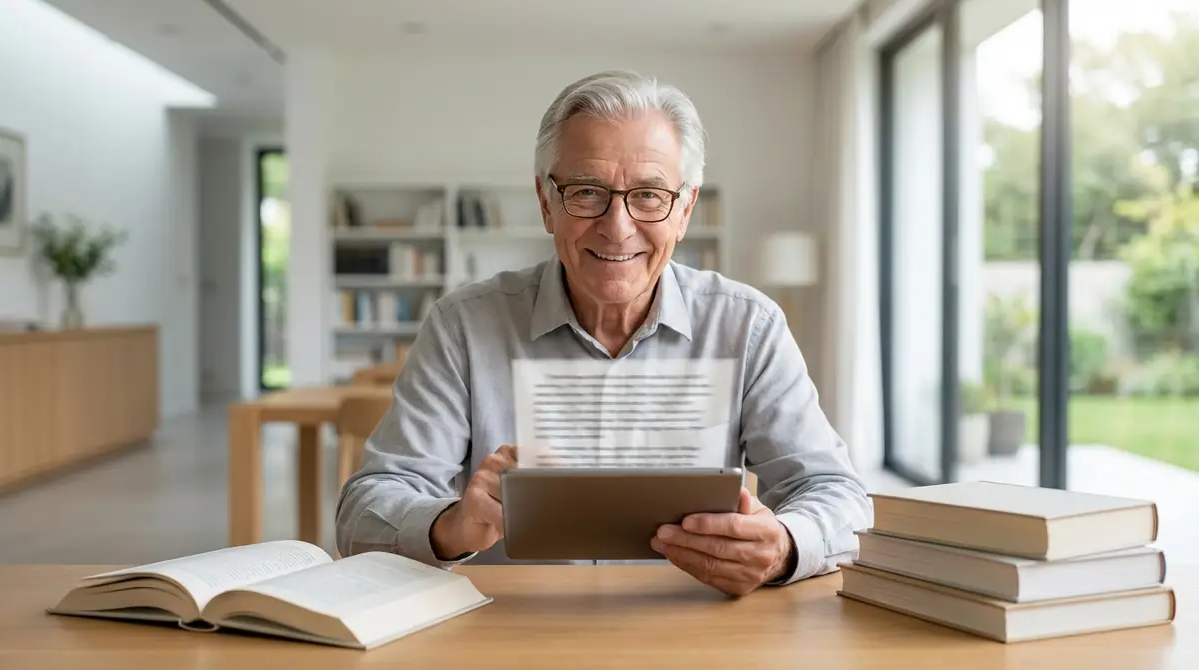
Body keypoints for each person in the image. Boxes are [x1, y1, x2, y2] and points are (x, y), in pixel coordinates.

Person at [335, 70, 872, 596]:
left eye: (649, 195)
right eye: (588, 192)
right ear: (547, 203)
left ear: (685, 209)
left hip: (696, 631)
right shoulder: (463, 326)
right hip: (508, 634)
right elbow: (363, 512)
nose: (617, 226)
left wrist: (782, 545)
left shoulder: (748, 326)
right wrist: (450, 524)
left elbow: (840, 497)